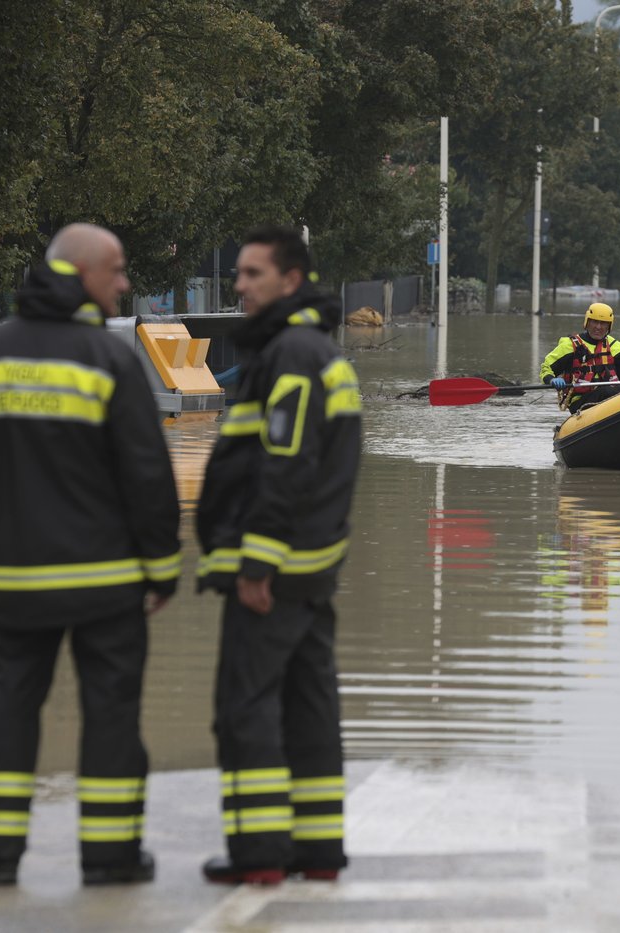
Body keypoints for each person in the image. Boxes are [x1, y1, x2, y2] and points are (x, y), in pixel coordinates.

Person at [0, 222, 182, 887]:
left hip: (18, 585)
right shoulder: (107, 360)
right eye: (118, 270)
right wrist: (162, 567)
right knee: (111, 717)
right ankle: (109, 860)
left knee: (9, 712)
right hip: (108, 585)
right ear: (80, 275)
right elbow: (146, 474)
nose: (127, 282)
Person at [196, 224, 361, 886]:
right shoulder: (316, 350)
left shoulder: (290, 353)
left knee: (247, 706)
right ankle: (318, 850)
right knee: (309, 703)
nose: (239, 286)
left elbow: (286, 463)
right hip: (313, 564)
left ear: (291, 281)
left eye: (252, 274)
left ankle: (260, 852)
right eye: (238, 274)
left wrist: (257, 563)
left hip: (276, 569)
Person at [540, 302, 620, 412]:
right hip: (581, 402)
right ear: (587, 322)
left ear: (609, 326)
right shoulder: (569, 346)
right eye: (595, 322)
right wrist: (552, 380)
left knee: (616, 391)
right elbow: (546, 368)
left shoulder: (616, 347)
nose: (598, 327)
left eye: (603, 323)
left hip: (612, 399)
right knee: (606, 391)